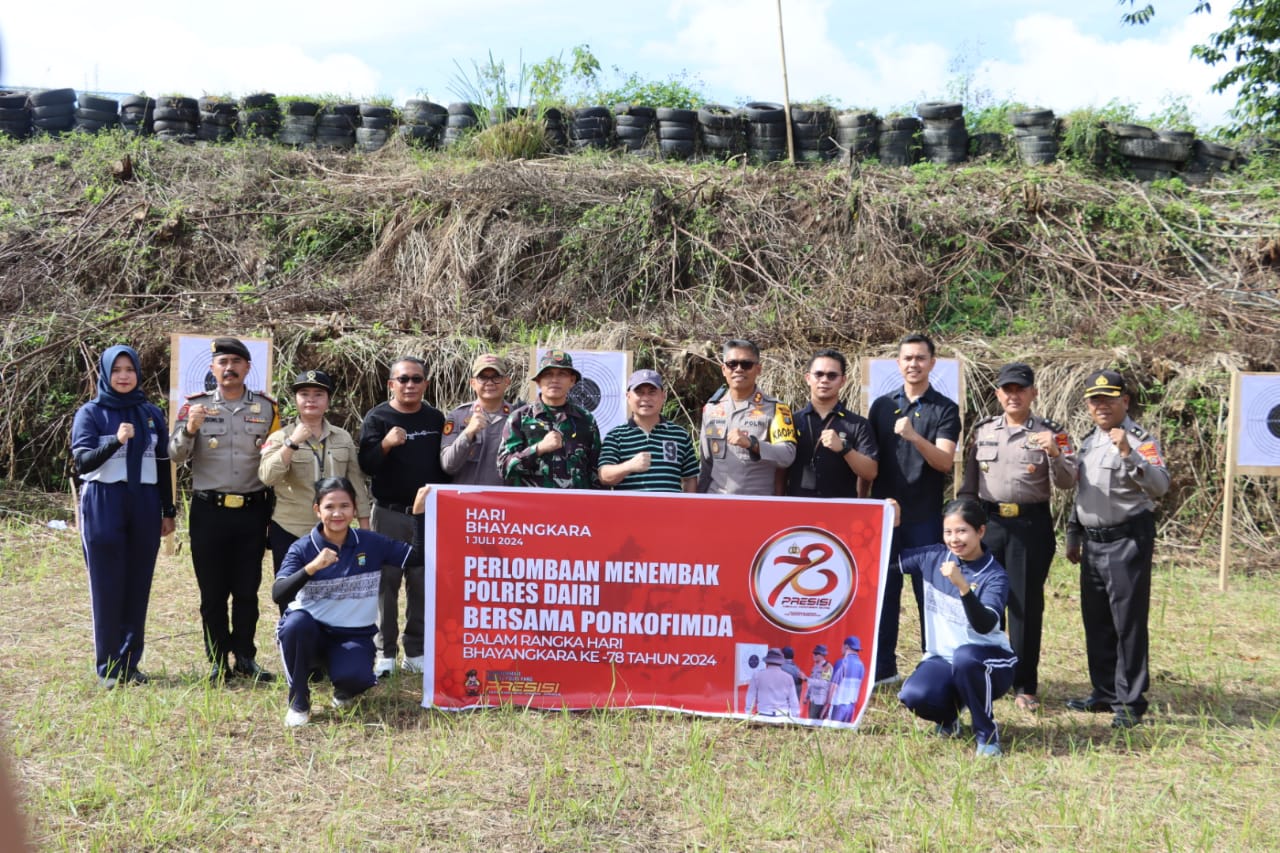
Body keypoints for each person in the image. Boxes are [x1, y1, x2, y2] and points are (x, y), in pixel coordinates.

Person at [958, 362, 1076, 712]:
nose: (1013, 395)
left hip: (1030, 528)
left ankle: (1025, 684)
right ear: (998, 394)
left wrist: (1054, 451)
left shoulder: (1052, 432)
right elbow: (968, 485)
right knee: (985, 603)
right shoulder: (982, 431)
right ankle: (988, 674)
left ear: (1033, 393)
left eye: (1020, 389)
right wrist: (964, 526)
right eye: (1007, 390)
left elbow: (1069, 481)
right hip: (989, 526)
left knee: (1024, 606)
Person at [273, 478, 428, 727]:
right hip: (310, 633)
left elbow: (417, 557)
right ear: (317, 510)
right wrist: (311, 568)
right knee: (295, 625)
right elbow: (278, 593)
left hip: (350, 635)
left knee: (358, 678)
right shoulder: (302, 548)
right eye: (329, 507)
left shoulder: (371, 542)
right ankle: (299, 701)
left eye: (344, 506)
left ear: (355, 509)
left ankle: (343, 689)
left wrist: (419, 514)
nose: (337, 513)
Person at [170, 336, 280, 684]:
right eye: (222, 362)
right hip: (209, 513)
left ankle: (246, 657)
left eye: (236, 361)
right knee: (213, 592)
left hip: (251, 511)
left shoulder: (266, 409)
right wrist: (190, 430)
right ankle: (218, 661)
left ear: (248, 368)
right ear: (212, 368)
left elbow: (277, 459)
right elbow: (174, 454)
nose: (229, 368)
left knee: (247, 589)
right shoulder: (194, 407)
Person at [1065, 369, 1170, 729]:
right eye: (1095, 400)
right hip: (1093, 544)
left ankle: (1130, 701)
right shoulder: (1089, 440)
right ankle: (1104, 692)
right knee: (1097, 622)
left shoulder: (1140, 439)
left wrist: (1129, 454)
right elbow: (1084, 492)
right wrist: (1074, 533)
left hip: (1127, 540)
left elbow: (1159, 486)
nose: (1101, 405)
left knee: (1128, 623)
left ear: (1124, 401)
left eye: (1109, 398)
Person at [72, 345, 177, 688]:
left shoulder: (150, 413)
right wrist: (115, 442)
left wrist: (168, 509)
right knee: (107, 584)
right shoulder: (91, 413)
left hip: (144, 501)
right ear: (105, 373)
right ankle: (108, 666)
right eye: (116, 369)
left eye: (129, 369)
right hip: (104, 500)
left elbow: (163, 465)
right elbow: (83, 463)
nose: (123, 376)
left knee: (138, 582)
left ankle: (130, 663)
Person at [866, 333, 961, 686]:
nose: (914, 364)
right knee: (885, 595)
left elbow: (944, 461)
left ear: (932, 363)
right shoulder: (880, 406)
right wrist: (865, 505)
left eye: (921, 358)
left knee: (929, 598)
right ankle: (883, 670)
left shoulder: (945, 409)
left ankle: (932, 668)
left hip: (925, 518)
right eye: (907, 358)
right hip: (886, 517)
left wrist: (914, 436)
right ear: (898, 363)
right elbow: (871, 463)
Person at [895, 499, 1017, 757]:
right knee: (913, 695)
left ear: (980, 531)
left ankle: (987, 735)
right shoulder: (933, 557)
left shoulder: (994, 575)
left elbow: (984, 626)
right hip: (943, 658)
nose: (954, 539)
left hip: (990, 662)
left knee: (966, 657)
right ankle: (949, 717)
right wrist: (893, 525)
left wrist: (963, 587)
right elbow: (890, 561)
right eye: (948, 532)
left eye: (962, 531)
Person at [357, 356, 448, 677]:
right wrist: (385, 443)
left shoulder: (436, 418)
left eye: (416, 379)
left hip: (429, 515)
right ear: (391, 384)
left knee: (422, 583)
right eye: (403, 379)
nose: (410, 385)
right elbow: (365, 464)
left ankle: (416, 650)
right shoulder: (377, 417)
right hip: (389, 513)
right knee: (387, 583)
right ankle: (385, 653)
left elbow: (447, 465)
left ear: (425, 384)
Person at [259, 369, 371, 599]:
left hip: (335, 530)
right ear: (296, 400)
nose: (311, 399)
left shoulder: (343, 438)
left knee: (333, 596)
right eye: (304, 394)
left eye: (318, 394)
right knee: (292, 597)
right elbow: (267, 477)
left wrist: (365, 527)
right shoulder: (280, 437)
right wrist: (292, 443)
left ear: (328, 401)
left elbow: (356, 483)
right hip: (291, 529)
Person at [698, 339, 796, 495]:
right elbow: (706, 464)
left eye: (746, 364)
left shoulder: (777, 409)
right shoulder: (711, 409)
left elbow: (787, 456)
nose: (739, 369)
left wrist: (753, 444)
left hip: (757, 504)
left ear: (758, 369)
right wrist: (699, 502)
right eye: (732, 364)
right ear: (724, 369)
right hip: (716, 502)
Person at [498, 349, 601, 489]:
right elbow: (504, 468)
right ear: (539, 382)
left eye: (562, 374)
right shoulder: (520, 418)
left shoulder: (586, 420)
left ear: (572, 381)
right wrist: (538, 449)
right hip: (533, 506)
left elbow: (595, 472)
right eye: (548, 375)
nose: (554, 380)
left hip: (574, 507)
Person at [784, 348, 878, 498]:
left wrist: (844, 448)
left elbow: (870, 473)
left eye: (832, 375)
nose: (824, 380)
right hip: (798, 509)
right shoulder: (791, 421)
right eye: (819, 374)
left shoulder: (858, 424)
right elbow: (780, 469)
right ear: (808, 378)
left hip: (841, 511)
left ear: (843, 381)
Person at [598, 368, 699, 492]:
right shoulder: (616, 436)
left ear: (663, 396)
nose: (645, 398)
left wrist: (686, 509)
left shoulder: (680, 435)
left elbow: (690, 479)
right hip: (629, 511)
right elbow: (604, 476)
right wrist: (629, 466)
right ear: (628, 396)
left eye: (652, 392)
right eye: (639, 392)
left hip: (670, 511)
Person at [440, 353, 513, 486]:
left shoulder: (518, 417)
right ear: (472, 383)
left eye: (496, 377)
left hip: (506, 501)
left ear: (507, 382)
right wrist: (468, 433)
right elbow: (448, 466)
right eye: (482, 377)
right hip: (467, 502)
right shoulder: (457, 417)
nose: (489, 382)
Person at [745, 648, 800, 717]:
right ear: (781, 662)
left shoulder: (757, 676)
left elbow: (751, 696)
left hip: (763, 714)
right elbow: (793, 701)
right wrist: (795, 717)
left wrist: (748, 713)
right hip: (782, 716)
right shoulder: (788, 677)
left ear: (766, 662)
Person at [825, 636, 866, 723]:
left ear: (846, 646)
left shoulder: (842, 662)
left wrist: (826, 706)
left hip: (838, 706)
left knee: (832, 732)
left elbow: (833, 686)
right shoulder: (861, 665)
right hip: (851, 707)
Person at [805, 645, 834, 721]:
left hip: (820, 700)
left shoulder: (827, 667)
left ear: (822, 655)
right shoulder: (815, 666)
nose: (813, 655)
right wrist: (806, 696)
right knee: (811, 719)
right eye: (813, 653)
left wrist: (806, 679)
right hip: (813, 698)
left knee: (815, 721)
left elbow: (823, 683)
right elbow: (811, 683)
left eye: (816, 653)